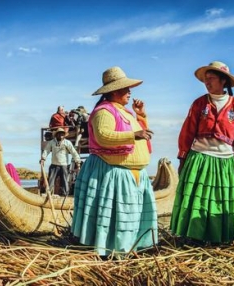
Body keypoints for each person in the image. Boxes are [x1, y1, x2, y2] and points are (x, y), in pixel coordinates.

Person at [71, 66, 158, 255]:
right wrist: (133, 135)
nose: (129, 92)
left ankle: (131, 246)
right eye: (125, 89)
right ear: (113, 91)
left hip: (131, 174)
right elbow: (103, 136)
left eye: (129, 88)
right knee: (115, 216)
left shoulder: (124, 112)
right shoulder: (104, 111)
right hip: (113, 171)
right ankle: (110, 249)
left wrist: (141, 115)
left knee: (130, 215)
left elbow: (143, 134)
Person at [170, 61, 234, 244]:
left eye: (211, 78)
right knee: (196, 199)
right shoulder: (199, 103)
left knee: (220, 200)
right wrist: (183, 158)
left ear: (223, 81)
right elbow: (187, 131)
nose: (207, 82)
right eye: (206, 80)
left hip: (225, 160)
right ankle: (194, 237)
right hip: (200, 157)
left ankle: (219, 238)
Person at [40, 127, 81, 196]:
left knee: (64, 181)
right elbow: (46, 151)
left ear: (64, 135)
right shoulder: (52, 142)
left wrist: (78, 161)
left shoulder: (67, 143)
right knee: (51, 181)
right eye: (59, 134)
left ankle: (65, 195)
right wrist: (43, 159)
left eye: (62, 134)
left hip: (63, 165)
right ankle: (49, 194)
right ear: (56, 135)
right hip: (54, 165)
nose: (61, 135)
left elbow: (73, 152)